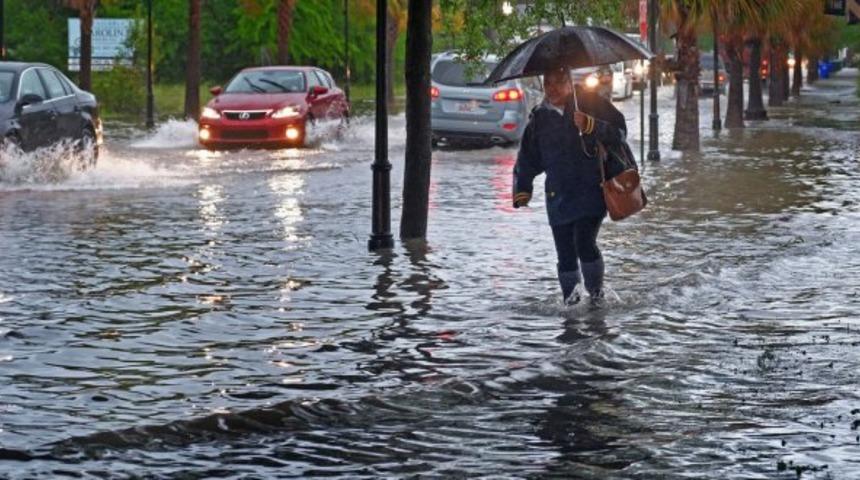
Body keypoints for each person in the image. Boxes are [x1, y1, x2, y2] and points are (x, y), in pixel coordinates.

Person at [513, 68, 627, 306]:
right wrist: (522, 188)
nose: (552, 88)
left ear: (570, 81)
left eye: (559, 81)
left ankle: (596, 297)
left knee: (584, 243)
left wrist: (591, 125)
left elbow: (619, 133)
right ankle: (571, 305)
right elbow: (527, 157)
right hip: (558, 196)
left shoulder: (591, 103)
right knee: (564, 254)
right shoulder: (539, 118)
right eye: (548, 82)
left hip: (591, 191)